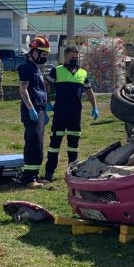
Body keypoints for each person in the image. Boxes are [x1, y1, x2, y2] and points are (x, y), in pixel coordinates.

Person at [43, 46, 99, 182]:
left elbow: (89, 91)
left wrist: (95, 107)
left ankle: (72, 172)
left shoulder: (83, 73)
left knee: (73, 145)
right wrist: (46, 102)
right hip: (60, 113)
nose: (74, 59)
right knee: (54, 145)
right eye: (72, 57)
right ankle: (49, 173)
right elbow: (44, 85)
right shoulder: (57, 71)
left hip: (75, 114)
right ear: (66, 57)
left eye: (76, 57)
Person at [16, 36, 50, 189]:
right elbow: (23, 89)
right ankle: (28, 179)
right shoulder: (26, 68)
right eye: (42, 54)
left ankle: (34, 175)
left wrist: (45, 107)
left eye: (46, 55)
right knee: (33, 142)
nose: (44, 58)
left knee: (39, 143)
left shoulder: (37, 68)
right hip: (32, 110)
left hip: (40, 109)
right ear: (33, 52)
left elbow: (39, 89)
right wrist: (31, 109)